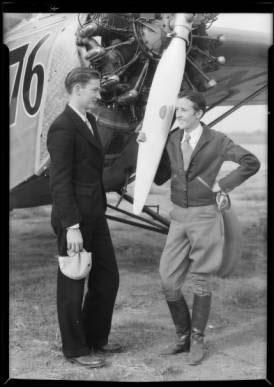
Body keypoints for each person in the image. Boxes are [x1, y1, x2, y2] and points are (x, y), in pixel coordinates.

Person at [137, 90, 260, 365]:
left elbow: (251, 162)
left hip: (205, 216)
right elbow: (161, 177)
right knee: (168, 280)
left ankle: (197, 339)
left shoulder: (217, 140)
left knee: (201, 279)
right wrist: (144, 148)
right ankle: (182, 337)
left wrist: (223, 185)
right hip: (178, 216)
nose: (177, 115)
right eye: (176, 110)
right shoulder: (172, 139)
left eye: (183, 110)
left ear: (199, 113)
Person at [47, 67, 121, 369]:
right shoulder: (63, 127)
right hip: (74, 219)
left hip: (95, 213)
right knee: (73, 284)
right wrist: (71, 226)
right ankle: (76, 349)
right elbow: (59, 181)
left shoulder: (89, 120)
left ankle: (95, 338)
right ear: (78, 89)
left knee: (108, 277)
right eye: (93, 89)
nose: (98, 94)